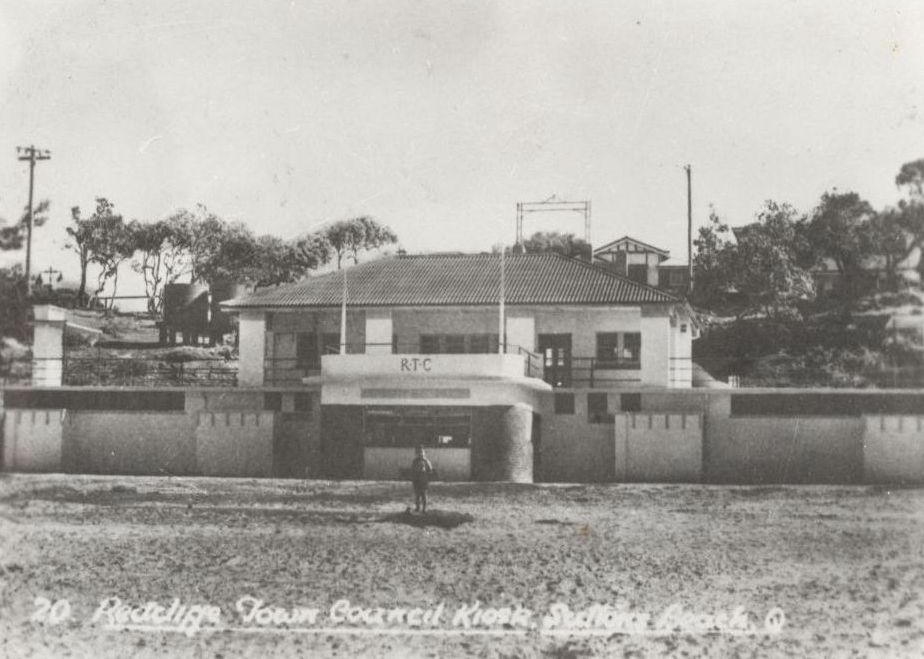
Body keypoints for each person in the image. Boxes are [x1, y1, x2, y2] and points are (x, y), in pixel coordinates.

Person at [410, 445, 434, 513]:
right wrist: (413, 478)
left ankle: (424, 508)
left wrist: (427, 474)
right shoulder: (415, 461)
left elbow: (430, 470)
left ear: (424, 453)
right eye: (419, 452)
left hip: (424, 480)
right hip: (416, 480)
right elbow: (412, 470)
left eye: (422, 452)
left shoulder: (426, 461)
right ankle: (417, 508)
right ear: (416, 454)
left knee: (424, 495)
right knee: (417, 495)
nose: (421, 454)